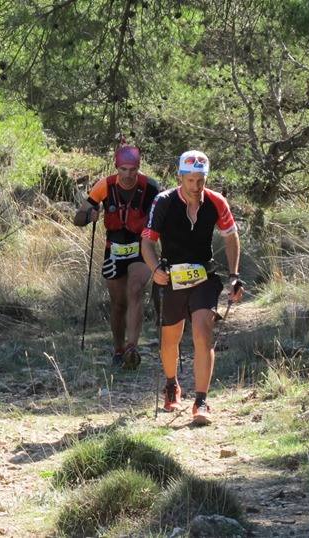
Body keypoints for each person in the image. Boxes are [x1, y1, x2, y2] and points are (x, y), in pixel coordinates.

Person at [141, 150, 243, 426]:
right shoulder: (163, 202)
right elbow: (147, 242)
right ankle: (172, 384)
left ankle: (201, 401)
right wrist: (155, 270)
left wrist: (234, 275)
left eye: (201, 180)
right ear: (180, 178)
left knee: (202, 329)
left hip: (203, 276)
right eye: (191, 180)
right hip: (171, 276)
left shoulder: (216, 202)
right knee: (170, 339)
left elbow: (232, 237)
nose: (197, 186)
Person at [74, 144, 161, 369]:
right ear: (116, 167)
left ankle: (132, 348)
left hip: (142, 248)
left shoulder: (151, 187)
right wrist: (88, 215)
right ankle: (118, 349)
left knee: (135, 290)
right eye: (124, 169)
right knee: (118, 304)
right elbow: (78, 217)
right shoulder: (104, 186)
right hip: (114, 250)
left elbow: (164, 214)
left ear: (139, 167)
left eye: (133, 169)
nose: (128, 174)